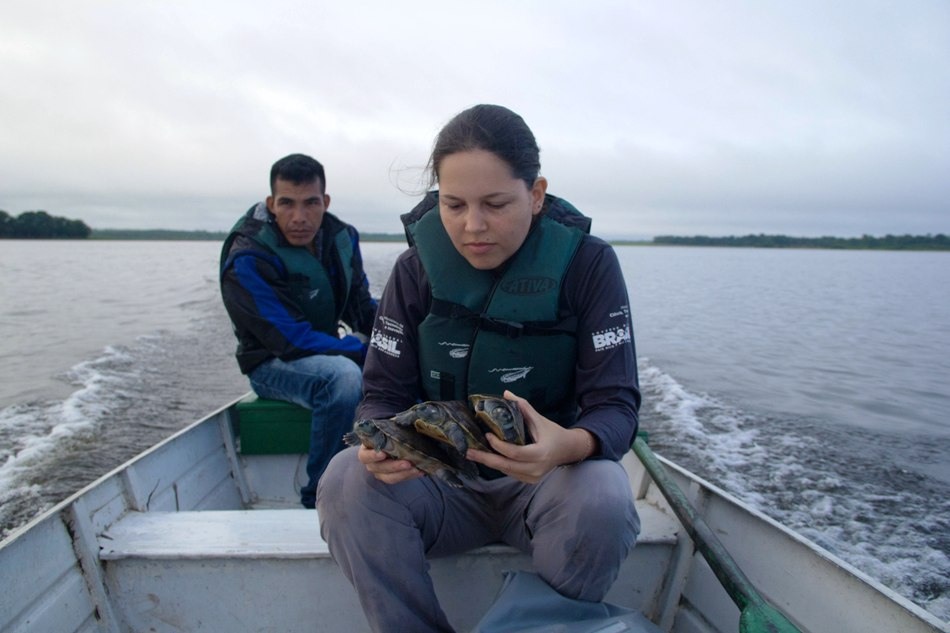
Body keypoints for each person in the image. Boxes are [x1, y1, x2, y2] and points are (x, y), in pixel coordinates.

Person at [316, 105, 642, 632]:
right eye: (453, 204)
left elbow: (617, 406)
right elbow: (380, 392)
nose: (473, 226)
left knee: (603, 495)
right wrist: (379, 444)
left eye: (496, 204)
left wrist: (569, 445)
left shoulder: (589, 265)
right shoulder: (415, 270)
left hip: (548, 481)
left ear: (535, 195)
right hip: (440, 482)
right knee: (345, 480)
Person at [220, 153, 377, 509]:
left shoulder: (342, 238)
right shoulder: (248, 255)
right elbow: (286, 340)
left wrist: (406, 336)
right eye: (287, 204)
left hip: (323, 349)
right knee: (342, 379)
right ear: (271, 204)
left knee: (403, 361)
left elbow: (361, 308)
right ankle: (321, 495)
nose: (300, 217)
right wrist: (359, 351)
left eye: (311, 203)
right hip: (271, 362)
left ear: (326, 202)